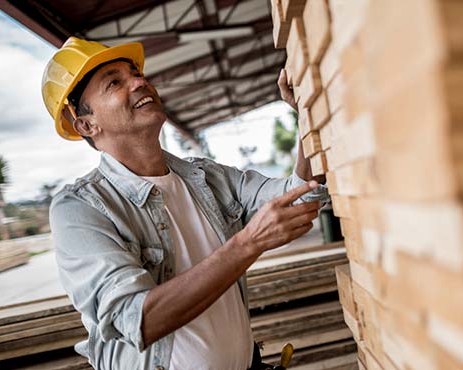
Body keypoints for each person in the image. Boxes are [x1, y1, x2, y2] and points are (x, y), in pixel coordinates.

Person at [42, 37, 323, 370]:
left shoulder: (207, 177)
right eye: (114, 82)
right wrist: (248, 243)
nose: (139, 81)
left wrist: (307, 115)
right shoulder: (80, 209)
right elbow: (139, 320)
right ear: (87, 124)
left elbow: (300, 196)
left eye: (136, 73)